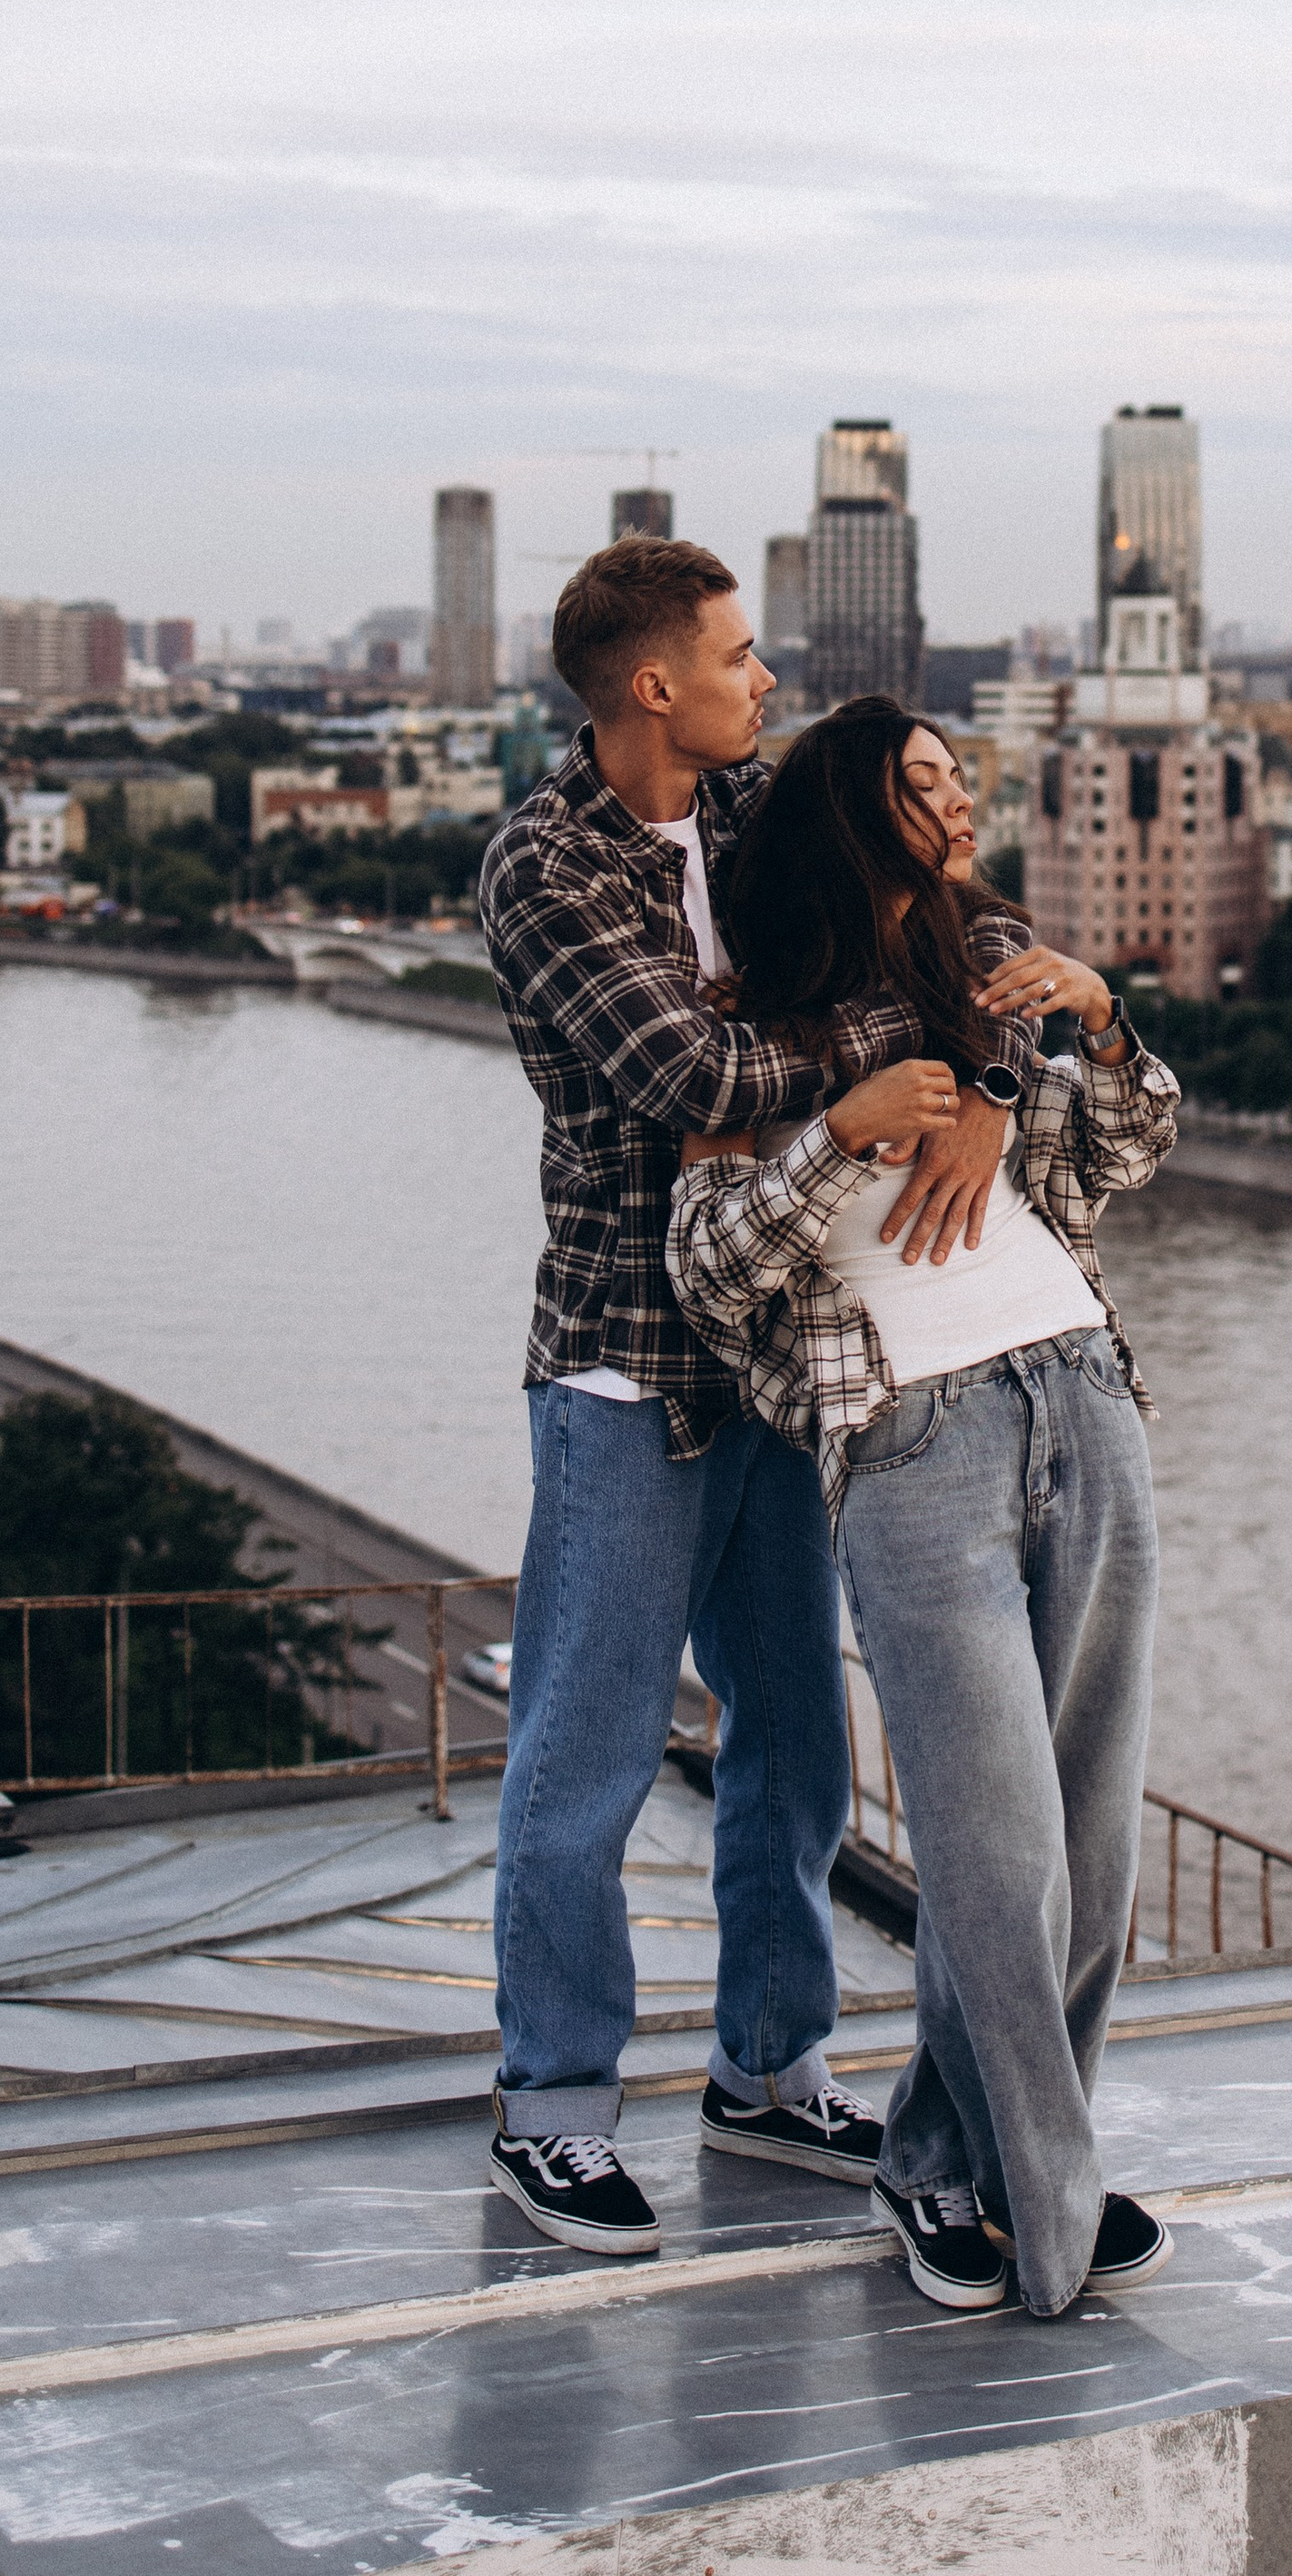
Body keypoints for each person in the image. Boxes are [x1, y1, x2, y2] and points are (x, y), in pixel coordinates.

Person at [476, 541, 1036, 2257]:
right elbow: (686, 1072)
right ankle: (554, 2104)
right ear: (654, 685)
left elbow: (950, 920)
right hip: (627, 1367)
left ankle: (768, 2068)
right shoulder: (544, 866)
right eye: (735, 656)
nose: (764, 680)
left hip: (783, 1350)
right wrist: (865, 1076)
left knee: (797, 1737)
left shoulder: (752, 813)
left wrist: (987, 1080)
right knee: (587, 1747)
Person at [666, 696, 1179, 2319]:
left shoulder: (995, 969)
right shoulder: (746, 1018)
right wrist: (848, 1130)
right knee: (990, 1846)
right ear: (853, 809)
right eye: (926, 779)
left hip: (1084, 1395)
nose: (961, 800)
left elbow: (1119, 1160)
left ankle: (948, 2165)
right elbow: (707, 1267)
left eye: (964, 774)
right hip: (913, 1439)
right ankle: (1057, 2201)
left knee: (1088, 1846)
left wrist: (1098, 1028)